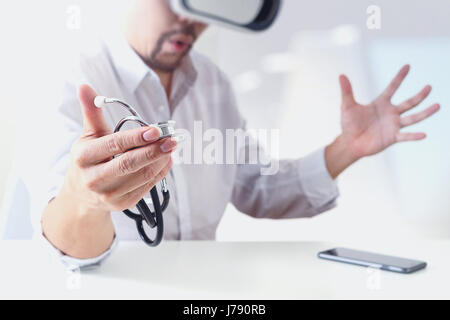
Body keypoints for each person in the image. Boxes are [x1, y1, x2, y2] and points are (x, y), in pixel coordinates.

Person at [37, 0, 439, 268]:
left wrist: (347, 148)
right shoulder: (76, 77)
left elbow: (258, 188)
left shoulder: (213, 84)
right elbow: (61, 236)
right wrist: (83, 199)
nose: (190, 20)